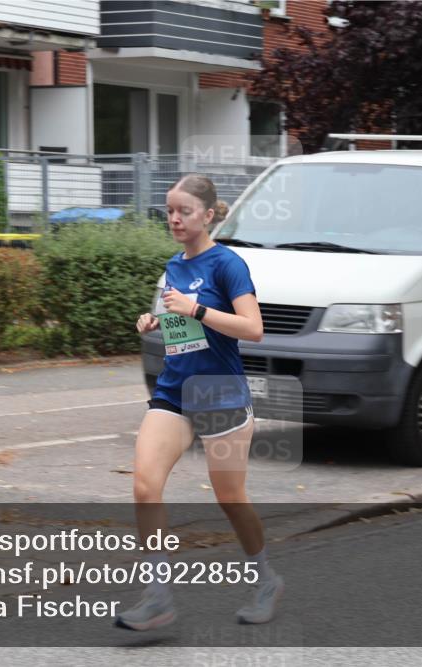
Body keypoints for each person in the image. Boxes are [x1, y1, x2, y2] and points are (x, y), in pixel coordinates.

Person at [115, 174, 284, 631]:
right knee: (145, 486)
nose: (173, 218)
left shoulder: (228, 265)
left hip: (220, 392)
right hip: (175, 392)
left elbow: (253, 328)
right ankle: (157, 596)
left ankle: (266, 579)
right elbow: (182, 330)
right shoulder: (174, 266)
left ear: (207, 215)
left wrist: (197, 311)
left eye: (183, 211)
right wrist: (157, 321)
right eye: (169, 210)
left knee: (230, 498)